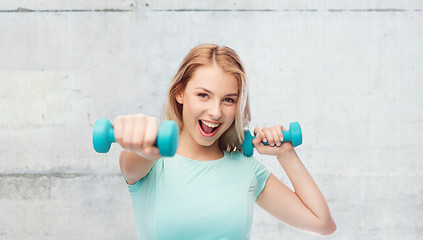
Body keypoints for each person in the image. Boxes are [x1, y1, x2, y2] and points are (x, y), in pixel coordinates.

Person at [114, 44, 336, 239]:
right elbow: (138, 155)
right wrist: (143, 137)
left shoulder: (245, 167)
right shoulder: (152, 161)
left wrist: (286, 154)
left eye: (228, 100)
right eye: (203, 95)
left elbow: (322, 223)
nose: (215, 112)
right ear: (179, 94)